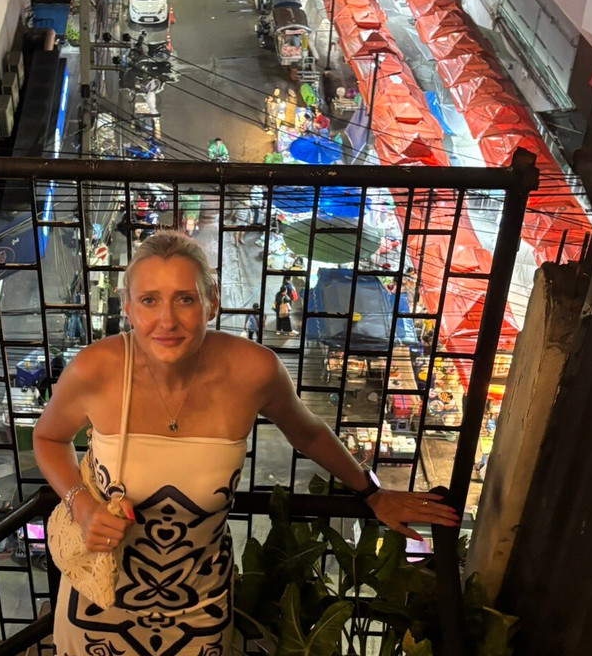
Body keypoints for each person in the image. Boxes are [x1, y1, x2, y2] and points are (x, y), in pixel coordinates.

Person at [33, 232, 458, 655]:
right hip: (98, 599)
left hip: (200, 607)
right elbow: (49, 437)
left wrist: (371, 492)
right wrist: (80, 504)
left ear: (212, 301)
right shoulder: (97, 368)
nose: (167, 320)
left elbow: (308, 432)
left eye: (185, 299)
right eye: (149, 301)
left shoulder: (253, 370)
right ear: (127, 306)